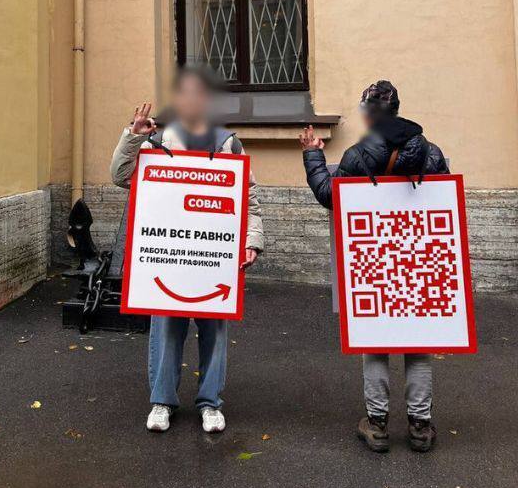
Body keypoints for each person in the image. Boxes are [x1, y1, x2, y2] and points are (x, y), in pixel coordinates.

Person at [109, 65, 265, 435]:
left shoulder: (228, 144)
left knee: (214, 333)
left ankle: (210, 403)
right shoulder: (157, 142)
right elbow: (119, 176)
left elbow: (250, 201)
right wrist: (133, 136)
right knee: (166, 331)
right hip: (169, 260)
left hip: (214, 260)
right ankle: (162, 401)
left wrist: (251, 242)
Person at [299, 79, 447, 454]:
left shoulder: (357, 155)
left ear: (367, 114)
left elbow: (332, 197)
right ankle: (420, 426)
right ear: (396, 110)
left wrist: (313, 156)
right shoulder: (432, 152)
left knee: (376, 343)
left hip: (373, 262)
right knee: (418, 346)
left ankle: (378, 425)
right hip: (418, 262)